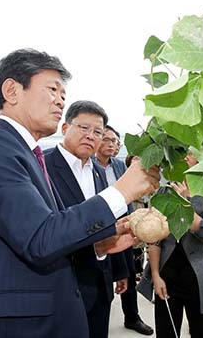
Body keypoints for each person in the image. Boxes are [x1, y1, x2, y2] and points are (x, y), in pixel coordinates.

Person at [0, 48, 160, 338]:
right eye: (52, 89)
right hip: (17, 327)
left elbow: (51, 230)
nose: (61, 100)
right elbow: (40, 238)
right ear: (12, 90)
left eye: (64, 94)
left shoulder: (28, 153)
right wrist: (122, 190)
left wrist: (99, 246)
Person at [43, 100, 129, 338]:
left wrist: (119, 270)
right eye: (84, 128)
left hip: (100, 282)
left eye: (98, 132)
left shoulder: (99, 173)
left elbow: (112, 224)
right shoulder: (43, 167)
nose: (91, 136)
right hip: (62, 285)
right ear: (64, 128)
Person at [137, 153, 203, 338]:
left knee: (202, 332)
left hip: (201, 279)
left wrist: (185, 204)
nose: (185, 155)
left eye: (191, 152)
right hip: (167, 277)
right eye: (182, 150)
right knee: (166, 332)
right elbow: (155, 239)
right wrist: (156, 275)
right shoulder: (165, 190)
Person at [95, 126, 154, 336]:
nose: (112, 144)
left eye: (115, 141)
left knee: (128, 275)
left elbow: (130, 198)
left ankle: (132, 317)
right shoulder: (89, 166)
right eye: (107, 140)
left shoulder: (121, 166)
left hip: (122, 230)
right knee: (99, 281)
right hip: (98, 231)